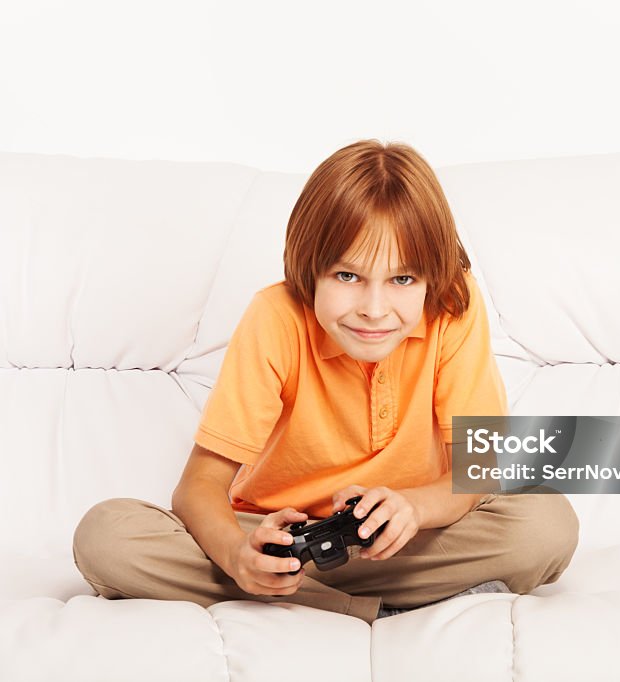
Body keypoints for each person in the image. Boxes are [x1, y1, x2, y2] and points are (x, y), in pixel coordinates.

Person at [72, 139, 579, 623]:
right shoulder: (276, 317)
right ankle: (374, 611)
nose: (374, 310)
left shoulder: (453, 308)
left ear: (430, 278)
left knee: (545, 524)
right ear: (309, 268)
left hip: (402, 541)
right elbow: (198, 487)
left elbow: (480, 467)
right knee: (108, 536)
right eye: (347, 276)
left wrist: (414, 507)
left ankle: (307, 603)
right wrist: (237, 555)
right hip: (288, 547)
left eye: (402, 280)